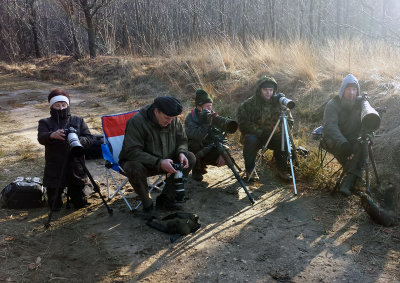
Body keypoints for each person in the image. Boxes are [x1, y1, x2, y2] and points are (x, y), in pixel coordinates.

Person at [119, 96, 196, 214]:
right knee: (132, 167)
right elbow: (132, 151)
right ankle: (148, 205)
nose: (170, 121)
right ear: (156, 111)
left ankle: (166, 199)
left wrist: (181, 152)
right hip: (144, 164)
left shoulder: (172, 119)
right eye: (166, 118)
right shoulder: (137, 121)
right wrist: (158, 162)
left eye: (172, 118)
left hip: (167, 161)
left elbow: (182, 140)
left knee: (189, 157)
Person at [38, 89, 93, 210]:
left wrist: (77, 141)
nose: (61, 108)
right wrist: (51, 135)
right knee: (54, 206)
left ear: (68, 105)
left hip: (76, 164)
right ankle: (57, 195)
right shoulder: (45, 122)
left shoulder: (78, 120)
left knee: (80, 204)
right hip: (55, 164)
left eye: (64, 105)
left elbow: (89, 138)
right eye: (57, 105)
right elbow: (41, 138)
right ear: (51, 106)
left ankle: (81, 190)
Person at [237, 75, 293, 182]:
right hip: (256, 136)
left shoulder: (280, 104)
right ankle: (250, 170)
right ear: (259, 90)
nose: (268, 93)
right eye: (265, 90)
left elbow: (289, 123)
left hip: (273, 136)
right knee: (251, 140)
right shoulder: (248, 105)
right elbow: (243, 123)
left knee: (284, 139)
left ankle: (282, 170)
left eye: (271, 90)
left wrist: (276, 131)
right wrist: (260, 131)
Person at [322, 74, 366, 196]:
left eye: (354, 89)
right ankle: (354, 179)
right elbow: (330, 127)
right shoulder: (333, 104)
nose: (352, 92)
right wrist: (344, 143)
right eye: (348, 89)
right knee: (354, 154)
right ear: (343, 89)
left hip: (351, 140)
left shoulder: (361, 104)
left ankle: (348, 181)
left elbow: (368, 124)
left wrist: (367, 137)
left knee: (363, 146)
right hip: (334, 139)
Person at [184, 89, 226, 181]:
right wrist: (206, 123)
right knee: (194, 144)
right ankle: (198, 170)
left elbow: (222, 137)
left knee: (227, 158)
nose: (210, 109)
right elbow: (196, 137)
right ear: (199, 106)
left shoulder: (213, 115)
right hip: (197, 149)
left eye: (210, 106)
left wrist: (224, 152)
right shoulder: (190, 118)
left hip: (210, 146)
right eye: (207, 106)